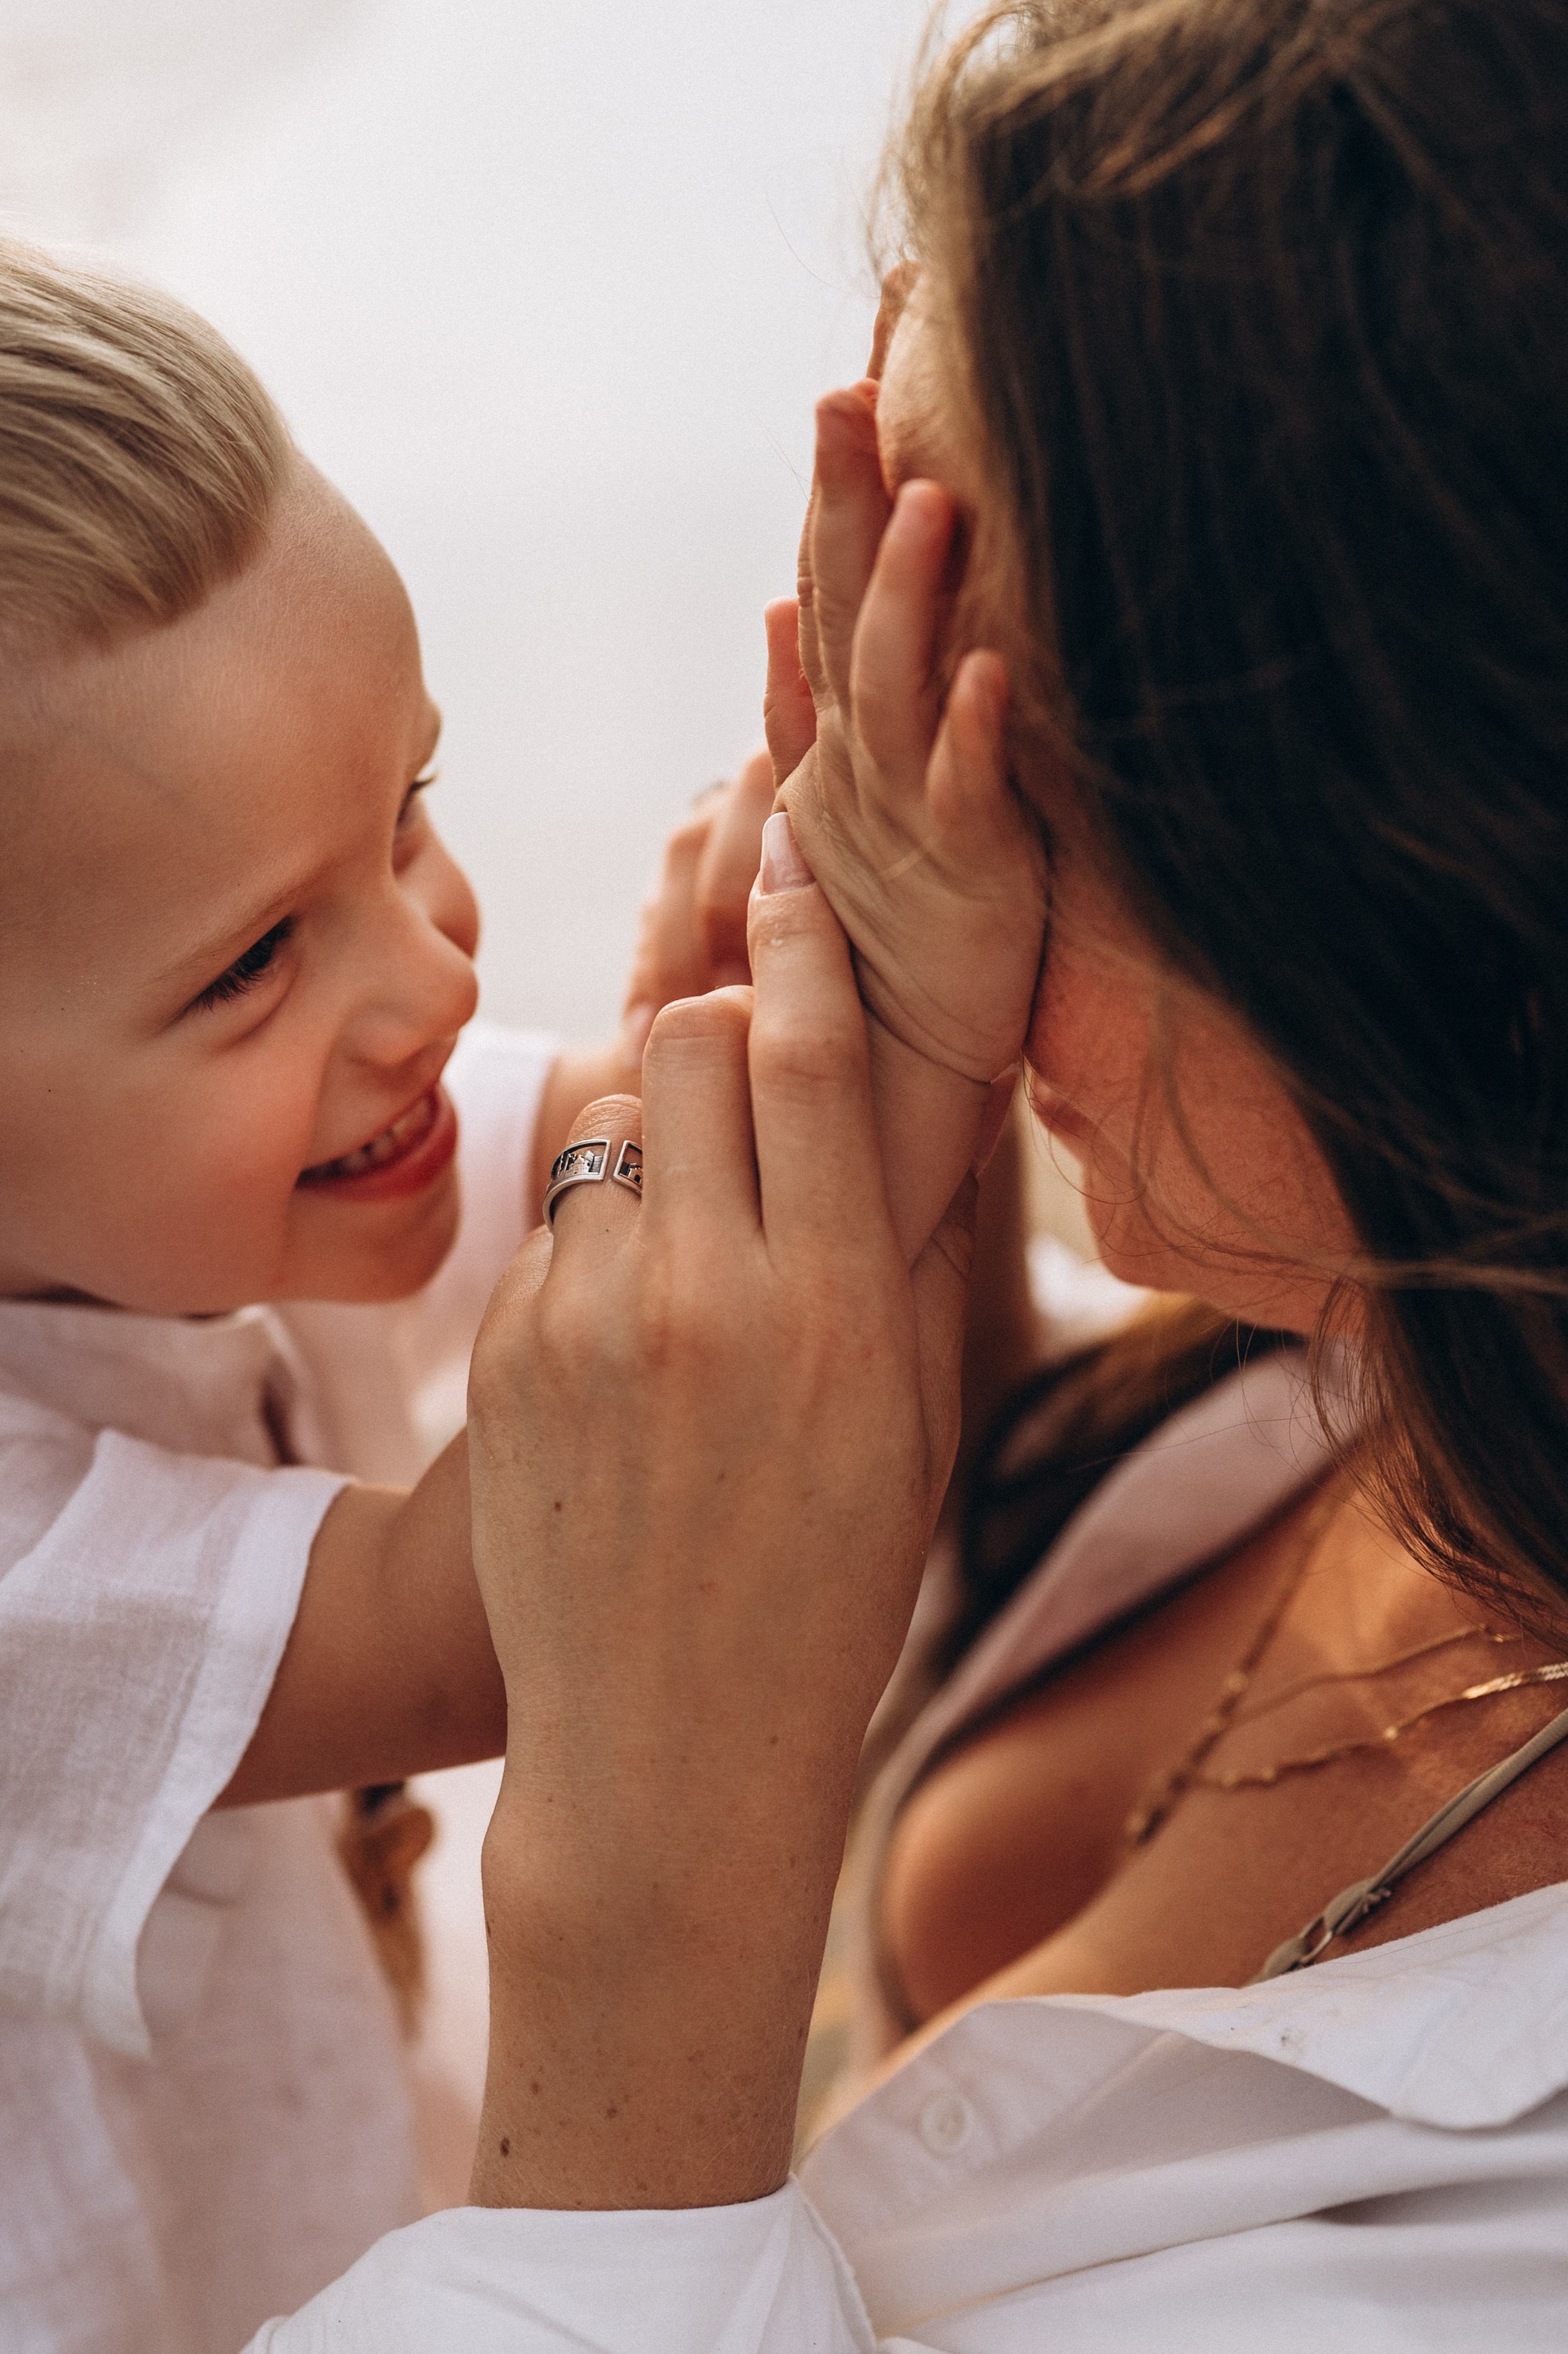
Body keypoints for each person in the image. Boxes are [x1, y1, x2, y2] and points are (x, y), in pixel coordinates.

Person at [252, 0, 1568, 2343]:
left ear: (1413, 877)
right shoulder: (1372, 1316)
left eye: (986, 758)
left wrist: (648, 1889)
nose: (881, 855)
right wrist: (882, 1190)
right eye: (875, 668)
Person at [0, 234, 788, 2348]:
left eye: (408, 813)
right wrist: (795, 1063)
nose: (432, 975)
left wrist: (775, 943)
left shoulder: (272, 1173)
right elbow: (519, 1608)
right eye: (257, 959)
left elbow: (596, 1136)